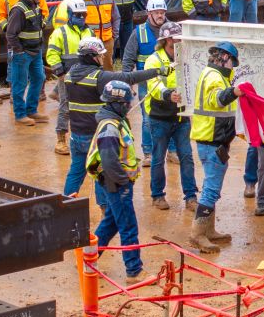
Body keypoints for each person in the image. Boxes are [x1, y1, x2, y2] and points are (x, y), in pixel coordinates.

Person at [64, 37, 163, 200]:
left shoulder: (70, 75)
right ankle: (104, 210)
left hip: (76, 134)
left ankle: (65, 203)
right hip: (95, 135)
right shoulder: (98, 77)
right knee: (101, 174)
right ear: (92, 56)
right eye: (101, 55)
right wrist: (157, 71)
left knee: (75, 172)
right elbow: (129, 78)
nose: (104, 58)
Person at [86, 80, 144, 283]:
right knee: (128, 225)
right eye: (127, 103)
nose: (129, 106)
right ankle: (134, 271)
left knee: (110, 223)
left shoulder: (114, 122)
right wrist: (123, 182)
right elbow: (110, 160)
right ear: (117, 104)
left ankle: (88, 260)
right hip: (117, 184)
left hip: (115, 183)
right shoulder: (110, 127)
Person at [189, 41, 245, 253]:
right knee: (211, 191)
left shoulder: (214, 75)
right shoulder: (214, 77)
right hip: (211, 140)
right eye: (233, 62)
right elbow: (217, 100)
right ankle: (197, 234)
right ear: (224, 58)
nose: (233, 66)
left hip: (215, 140)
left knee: (212, 188)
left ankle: (209, 231)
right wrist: (235, 92)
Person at [144, 22, 198, 212]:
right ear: (168, 40)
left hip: (181, 117)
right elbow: (153, 84)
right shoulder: (154, 60)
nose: (181, 41)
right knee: (158, 158)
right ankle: (157, 195)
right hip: (160, 117)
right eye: (177, 38)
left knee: (187, 156)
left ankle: (191, 196)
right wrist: (168, 94)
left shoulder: (186, 57)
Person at [121, 0, 170, 163]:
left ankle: (173, 151)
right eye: (156, 12)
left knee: (174, 116)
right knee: (148, 118)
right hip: (145, 82)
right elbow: (128, 59)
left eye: (162, 12)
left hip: (169, 81)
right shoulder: (138, 33)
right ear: (149, 14)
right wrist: (127, 84)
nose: (160, 15)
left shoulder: (172, 30)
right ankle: (148, 153)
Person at [46, 0, 93, 154]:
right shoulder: (60, 33)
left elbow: (96, 52)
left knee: (86, 107)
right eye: (77, 15)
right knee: (65, 107)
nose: (81, 18)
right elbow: (52, 54)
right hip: (67, 76)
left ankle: (86, 138)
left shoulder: (89, 31)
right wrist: (60, 72)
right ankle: (61, 140)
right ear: (69, 15)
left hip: (87, 76)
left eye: (83, 15)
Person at [0, 0, 48, 87]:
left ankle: (40, 93)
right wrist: (8, 27)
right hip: (15, 40)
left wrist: (40, 25)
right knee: (14, 71)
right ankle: (15, 95)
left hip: (33, 41)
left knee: (38, 73)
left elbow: (44, 12)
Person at [6, 0, 47, 127]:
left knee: (38, 78)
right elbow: (10, 34)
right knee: (20, 83)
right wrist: (20, 52)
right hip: (22, 54)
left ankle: (31, 110)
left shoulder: (35, 6)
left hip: (35, 51)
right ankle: (20, 114)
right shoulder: (18, 10)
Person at [71, 0, 119, 69]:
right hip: (89, 42)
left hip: (107, 40)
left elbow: (116, 17)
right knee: (89, 68)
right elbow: (73, 21)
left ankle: (108, 85)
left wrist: (114, 36)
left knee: (108, 67)